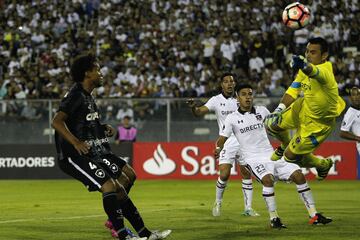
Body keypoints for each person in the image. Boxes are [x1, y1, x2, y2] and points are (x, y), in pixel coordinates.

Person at [52, 53, 171, 240]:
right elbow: (57, 121)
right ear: (87, 73)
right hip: (72, 156)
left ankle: (144, 233)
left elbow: (83, 124)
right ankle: (122, 233)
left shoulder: (88, 97)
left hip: (93, 151)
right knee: (109, 186)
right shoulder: (75, 95)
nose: (101, 73)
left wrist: (101, 127)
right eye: (97, 69)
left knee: (120, 188)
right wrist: (75, 142)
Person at [215, 83, 332, 228]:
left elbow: (276, 125)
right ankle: (274, 218)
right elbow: (222, 137)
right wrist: (219, 148)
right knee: (268, 181)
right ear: (237, 98)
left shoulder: (262, 111)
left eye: (250, 94)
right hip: (252, 159)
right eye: (244, 94)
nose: (248, 97)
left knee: (299, 175)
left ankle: (314, 215)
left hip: (271, 155)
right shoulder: (232, 118)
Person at [264, 37, 346, 180]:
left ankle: (322, 164)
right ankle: (284, 144)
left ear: (324, 56)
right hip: (303, 107)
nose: (308, 55)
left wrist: (304, 66)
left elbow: (314, 71)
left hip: (318, 123)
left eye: (313, 52)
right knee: (272, 124)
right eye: (307, 51)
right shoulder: (304, 70)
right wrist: (279, 109)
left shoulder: (325, 71)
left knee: (290, 157)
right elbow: (293, 90)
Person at [187, 73, 259, 217]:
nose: (229, 84)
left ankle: (248, 208)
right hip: (226, 141)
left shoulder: (241, 98)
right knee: (225, 174)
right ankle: (218, 202)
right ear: (222, 84)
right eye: (226, 82)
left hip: (244, 140)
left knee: (246, 173)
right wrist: (194, 108)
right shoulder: (216, 100)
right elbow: (200, 112)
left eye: (232, 81)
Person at [340, 86, 360, 155]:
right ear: (350, 98)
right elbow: (343, 133)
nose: (356, 97)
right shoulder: (350, 113)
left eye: (358, 94)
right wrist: (358, 138)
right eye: (354, 95)